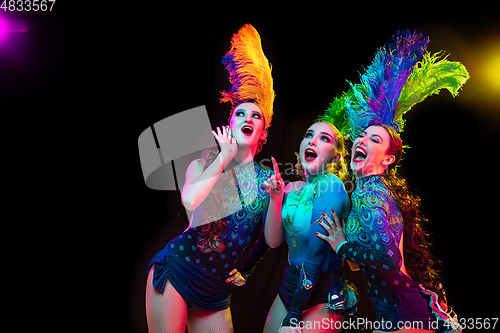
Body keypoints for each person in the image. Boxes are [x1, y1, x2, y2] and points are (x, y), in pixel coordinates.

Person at [316, 30, 469, 333]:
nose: (362, 139)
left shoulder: (372, 195)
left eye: (375, 139)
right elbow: (363, 264)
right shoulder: (364, 193)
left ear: (387, 159)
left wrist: (341, 245)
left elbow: (388, 257)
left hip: (405, 311)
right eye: (362, 135)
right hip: (393, 311)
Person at [145, 24, 275, 333]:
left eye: (256, 116)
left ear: (263, 133)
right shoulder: (204, 164)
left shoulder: (268, 178)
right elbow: (190, 200)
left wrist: (247, 267)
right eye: (240, 114)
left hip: (215, 290)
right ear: (230, 123)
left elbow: (270, 239)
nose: (248, 118)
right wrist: (224, 157)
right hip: (178, 269)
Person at [262, 93, 358, 333]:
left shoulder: (332, 187)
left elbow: (314, 256)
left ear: (336, 156)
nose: (312, 141)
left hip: (322, 296)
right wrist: (275, 199)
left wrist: (293, 316)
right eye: (308, 135)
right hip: (288, 289)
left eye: (324, 138)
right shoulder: (292, 189)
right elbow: (273, 242)